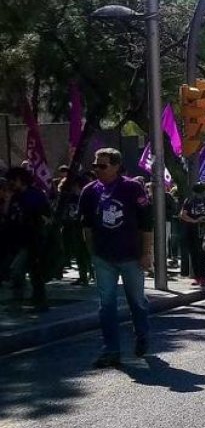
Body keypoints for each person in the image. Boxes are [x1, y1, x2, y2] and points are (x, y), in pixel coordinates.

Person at [78, 150, 153, 365]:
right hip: (103, 258)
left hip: (131, 256)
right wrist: (93, 252)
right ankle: (111, 349)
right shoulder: (89, 191)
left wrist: (146, 253)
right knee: (106, 304)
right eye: (95, 165)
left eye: (102, 166)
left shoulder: (132, 187)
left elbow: (146, 223)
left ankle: (142, 335)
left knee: (136, 301)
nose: (97, 169)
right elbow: (87, 226)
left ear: (116, 166)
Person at [5, 167, 51, 312]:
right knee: (32, 272)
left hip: (32, 240)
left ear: (21, 179)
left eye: (13, 180)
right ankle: (37, 300)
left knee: (20, 271)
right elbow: (10, 217)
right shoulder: (15, 197)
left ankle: (23, 301)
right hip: (18, 241)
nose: (11, 183)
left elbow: (45, 216)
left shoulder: (35, 195)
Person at [178, 182, 205, 289]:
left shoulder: (190, 200)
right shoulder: (193, 201)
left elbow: (183, 215)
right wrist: (196, 220)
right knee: (198, 254)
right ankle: (200, 278)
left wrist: (196, 220)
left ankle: (200, 278)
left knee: (198, 254)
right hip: (196, 230)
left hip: (200, 230)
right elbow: (183, 215)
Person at [59, 175, 92, 286]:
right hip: (73, 227)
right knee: (79, 253)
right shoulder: (70, 198)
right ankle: (83, 276)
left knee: (87, 252)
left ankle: (92, 273)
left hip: (85, 227)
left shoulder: (86, 196)